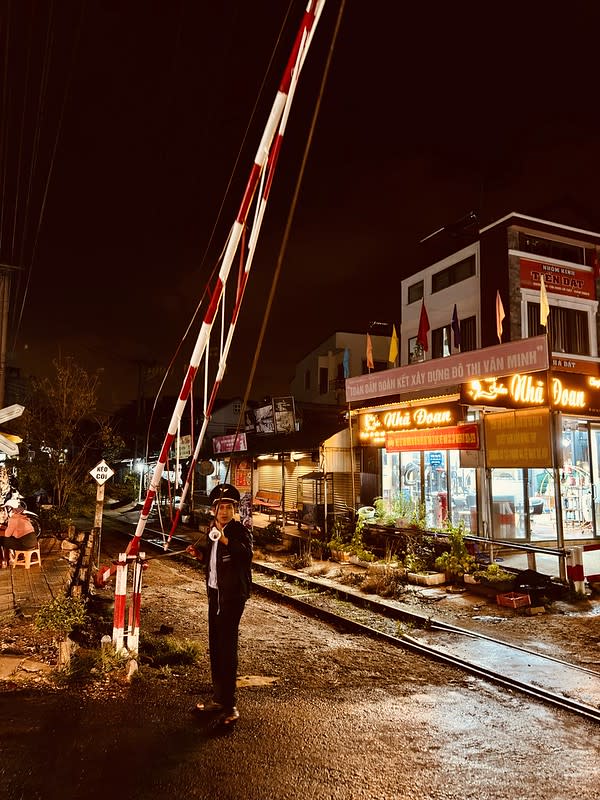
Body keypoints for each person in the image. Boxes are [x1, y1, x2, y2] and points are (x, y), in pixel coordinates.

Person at [187, 483, 253, 725]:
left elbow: (245, 556)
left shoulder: (238, 531)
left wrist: (225, 540)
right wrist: (199, 555)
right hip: (215, 594)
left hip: (232, 597)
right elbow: (213, 562)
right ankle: (218, 698)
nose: (224, 511)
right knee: (215, 646)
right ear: (213, 510)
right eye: (220, 507)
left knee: (227, 648)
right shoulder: (212, 530)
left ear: (234, 509)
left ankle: (230, 704)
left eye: (228, 507)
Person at [1, 496, 37, 565]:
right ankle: (10, 558)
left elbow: (7, 534)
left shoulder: (13, 519)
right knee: (9, 539)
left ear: (10, 509)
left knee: (2, 540)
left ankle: (5, 560)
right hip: (33, 542)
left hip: (26, 544)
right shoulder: (22, 516)